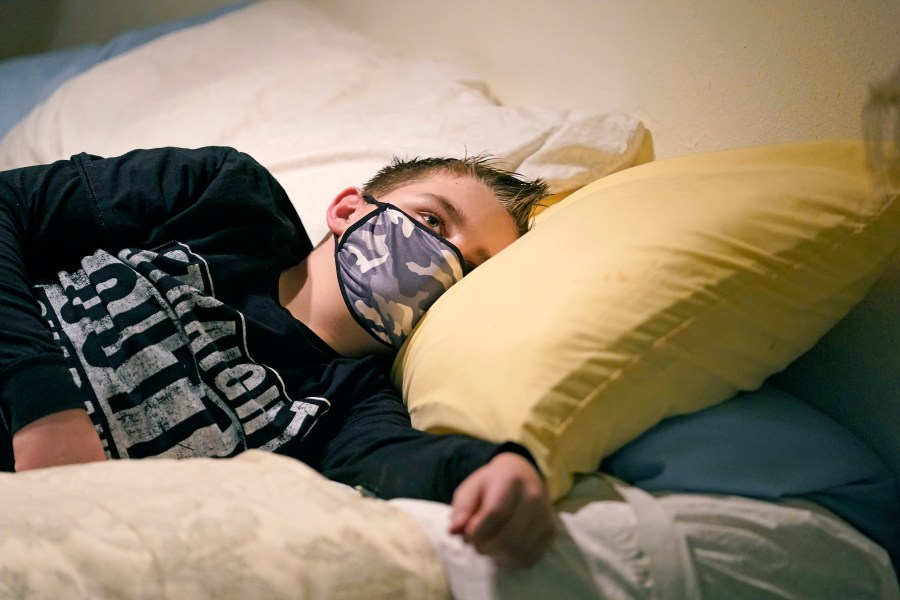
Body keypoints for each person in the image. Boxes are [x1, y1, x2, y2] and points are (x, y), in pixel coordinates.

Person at [0, 146, 555, 567]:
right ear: (347, 210)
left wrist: (497, 465)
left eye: (473, 266)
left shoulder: (350, 408)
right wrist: (42, 402)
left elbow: (406, 461)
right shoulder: (224, 197)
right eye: (433, 220)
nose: (443, 256)